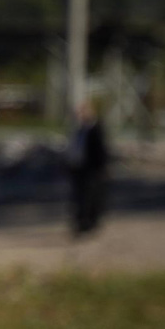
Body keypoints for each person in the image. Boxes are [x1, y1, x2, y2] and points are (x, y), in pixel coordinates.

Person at [67, 99, 111, 236]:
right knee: (79, 197)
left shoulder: (96, 129)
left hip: (92, 169)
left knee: (91, 197)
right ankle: (80, 222)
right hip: (78, 168)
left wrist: (102, 169)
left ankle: (90, 223)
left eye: (81, 111)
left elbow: (101, 151)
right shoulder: (80, 130)